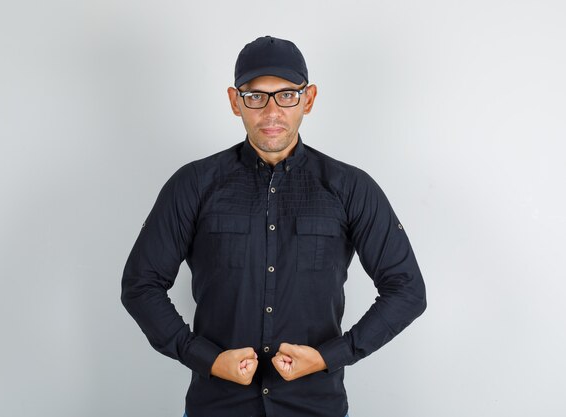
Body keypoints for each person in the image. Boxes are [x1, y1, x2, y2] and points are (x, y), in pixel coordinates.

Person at [121, 35, 427, 417]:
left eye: (286, 95)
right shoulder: (195, 184)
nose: (271, 111)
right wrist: (207, 359)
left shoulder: (349, 188)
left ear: (308, 99)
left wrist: (330, 356)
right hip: (217, 407)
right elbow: (140, 284)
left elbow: (407, 290)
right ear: (236, 102)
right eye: (255, 96)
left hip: (315, 407)